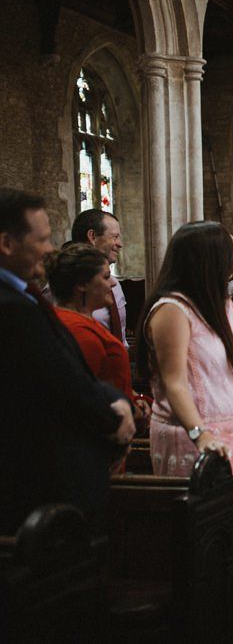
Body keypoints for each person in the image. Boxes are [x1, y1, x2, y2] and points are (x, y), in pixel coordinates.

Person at [137, 221, 233, 585]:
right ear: (205, 258)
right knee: (200, 543)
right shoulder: (172, 309)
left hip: (231, 435)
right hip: (191, 439)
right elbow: (174, 381)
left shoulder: (222, 303)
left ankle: (229, 624)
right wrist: (199, 434)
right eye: (229, 251)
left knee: (228, 539)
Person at [0, 188, 135, 534]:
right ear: (6, 243)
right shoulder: (11, 306)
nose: (49, 249)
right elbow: (58, 379)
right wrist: (113, 414)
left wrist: (115, 400)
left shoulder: (24, 295)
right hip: (39, 480)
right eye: (42, 239)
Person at [46, 244, 137, 406]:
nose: (113, 283)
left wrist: (135, 399)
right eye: (106, 276)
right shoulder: (78, 332)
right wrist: (132, 411)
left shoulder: (80, 322)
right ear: (82, 284)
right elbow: (89, 397)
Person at [71, 209, 127, 346]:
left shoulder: (115, 285)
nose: (120, 244)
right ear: (93, 237)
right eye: (114, 237)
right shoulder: (64, 285)